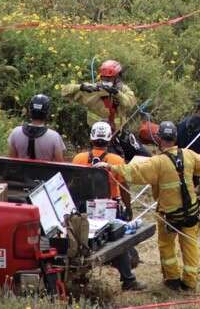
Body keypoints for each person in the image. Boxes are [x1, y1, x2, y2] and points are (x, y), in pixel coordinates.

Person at [95, 121, 200, 292]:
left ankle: (172, 279)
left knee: (166, 245)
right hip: (191, 213)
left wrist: (110, 167)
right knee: (190, 247)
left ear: (159, 139)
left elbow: (132, 171)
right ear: (175, 138)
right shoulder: (189, 155)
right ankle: (189, 282)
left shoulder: (157, 162)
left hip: (169, 215)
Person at [72, 121, 145, 291]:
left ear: (91, 138)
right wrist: (128, 208)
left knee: (82, 242)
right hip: (109, 209)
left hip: (83, 209)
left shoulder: (79, 158)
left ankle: (79, 278)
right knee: (119, 241)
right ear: (109, 139)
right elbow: (125, 188)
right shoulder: (116, 160)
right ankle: (128, 280)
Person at [61, 59, 150, 160]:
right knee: (111, 160)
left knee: (145, 157)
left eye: (110, 78)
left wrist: (117, 93)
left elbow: (129, 103)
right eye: (104, 78)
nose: (106, 81)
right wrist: (81, 87)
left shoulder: (123, 90)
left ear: (117, 78)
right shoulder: (92, 90)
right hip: (99, 138)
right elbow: (64, 91)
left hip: (119, 134)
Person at [7, 94, 65, 162]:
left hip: (21, 172)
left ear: (30, 111)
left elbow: (11, 161)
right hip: (44, 172)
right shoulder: (54, 137)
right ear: (47, 112)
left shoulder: (15, 132)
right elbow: (60, 165)